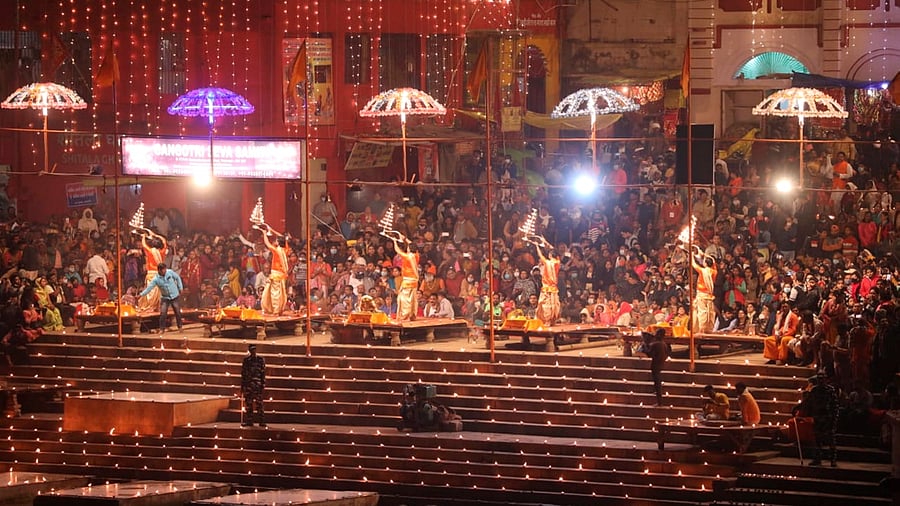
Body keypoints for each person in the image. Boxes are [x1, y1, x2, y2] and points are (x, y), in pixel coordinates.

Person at [138, 262, 184, 334]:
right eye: (163, 270)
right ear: (159, 270)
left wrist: (180, 287)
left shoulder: (170, 272)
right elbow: (149, 288)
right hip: (165, 297)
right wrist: (141, 295)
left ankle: (180, 327)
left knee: (177, 312)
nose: (164, 271)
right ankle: (162, 329)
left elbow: (177, 278)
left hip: (174, 295)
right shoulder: (156, 279)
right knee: (163, 313)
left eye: (165, 269)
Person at [136, 231, 168, 312]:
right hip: (159, 274)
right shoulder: (162, 252)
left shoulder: (150, 251)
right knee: (157, 292)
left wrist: (143, 237)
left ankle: (150, 306)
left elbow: (144, 245)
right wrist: (157, 235)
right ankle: (156, 307)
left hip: (151, 274)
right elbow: (164, 243)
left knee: (151, 291)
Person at [261, 232, 289, 315]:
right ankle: (279, 310)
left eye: (276, 240)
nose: (275, 241)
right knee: (281, 292)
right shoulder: (285, 249)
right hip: (282, 274)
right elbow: (282, 236)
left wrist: (264, 233)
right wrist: (272, 230)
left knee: (275, 293)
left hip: (276, 274)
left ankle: (276, 311)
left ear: (278, 242)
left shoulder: (277, 250)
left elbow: (267, 243)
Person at [691, 246, 717, 333]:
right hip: (709, 295)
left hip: (702, 294)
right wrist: (702, 253)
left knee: (702, 312)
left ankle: (702, 330)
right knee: (710, 312)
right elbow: (713, 261)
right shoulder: (714, 271)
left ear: (705, 263)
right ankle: (709, 329)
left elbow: (694, 264)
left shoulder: (703, 271)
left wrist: (691, 256)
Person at [534, 241, 561, 325]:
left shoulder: (547, 262)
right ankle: (552, 320)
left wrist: (537, 246)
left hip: (547, 288)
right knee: (554, 304)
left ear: (550, 255)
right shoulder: (558, 262)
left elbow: (540, 255)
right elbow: (554, 250)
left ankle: (547, 321)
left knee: (546, 304)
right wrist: (546, 242)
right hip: (553, 288)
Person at [393, 237, 419, 321]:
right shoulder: (416, 255)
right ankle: (412, 315)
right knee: (413, 299)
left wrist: (394, 241)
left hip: (408, 281)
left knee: (404, 300)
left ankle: (405, 316)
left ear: (409, 248)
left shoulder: (407, 256)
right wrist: (405, 238)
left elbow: (397, 250)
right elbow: (412, 244)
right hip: (414, 281)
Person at [240, 343, 266, 427]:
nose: (253, 351)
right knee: (248, 404)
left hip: (257, 385)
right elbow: (243, 373)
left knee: (259, 404)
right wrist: (242, 386)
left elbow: (263, 373)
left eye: (254, 349)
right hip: (248, 385)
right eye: (252, 350)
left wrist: (263, 384)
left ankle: (261, 421)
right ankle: (249, 421)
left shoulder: (260, 360)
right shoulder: (246, 360)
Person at [647, 328, 669, 406]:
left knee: (657, 382)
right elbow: (667, 354)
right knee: (657, 381)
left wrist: (646, 346)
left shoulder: (656, 344)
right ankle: (658, 396)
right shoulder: (664, 344)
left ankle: (659, 401)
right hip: (660, 364)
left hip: (655, 364)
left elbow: (649, 354)